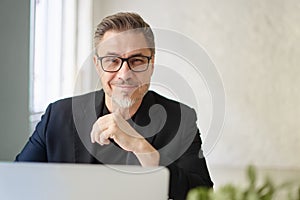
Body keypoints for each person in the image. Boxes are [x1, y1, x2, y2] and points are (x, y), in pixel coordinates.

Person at [16, 12, 213, 199]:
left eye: (136, 60)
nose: (124, 74)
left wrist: (141, 147)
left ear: (151, 64)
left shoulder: (181, 119)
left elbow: (202, 195)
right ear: (97, 65)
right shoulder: (58, 115)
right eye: (112, 60)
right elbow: (17, 182)